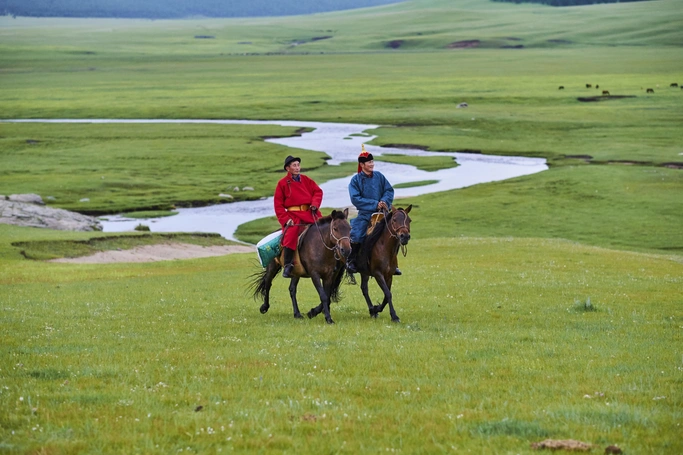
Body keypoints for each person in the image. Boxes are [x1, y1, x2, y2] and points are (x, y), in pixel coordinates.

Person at [346, 145, 401, 275]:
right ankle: (352, 261)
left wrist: (384, 202)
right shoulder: (355, 180)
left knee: (396, 233)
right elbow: (355, 198)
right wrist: (375, 204)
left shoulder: (379, 176)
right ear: (362, 164)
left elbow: (389, 190)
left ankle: (393, 263)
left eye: (372, 161)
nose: (372, 164)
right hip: (365, 214)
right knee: (357, 234)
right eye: (369, 162)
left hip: (383, 214)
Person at [274, 155, 323, 278]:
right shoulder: (282, 184)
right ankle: (288, 264)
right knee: (291, 234)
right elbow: (278, 205)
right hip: (293, 216)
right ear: (288, 168)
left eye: (298, 165)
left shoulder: (306, 180)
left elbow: (318, 192)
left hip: (310, 213)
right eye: (294, 165)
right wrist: (286, 220)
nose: (297, 168)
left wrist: (314, 205)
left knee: (325, 228)